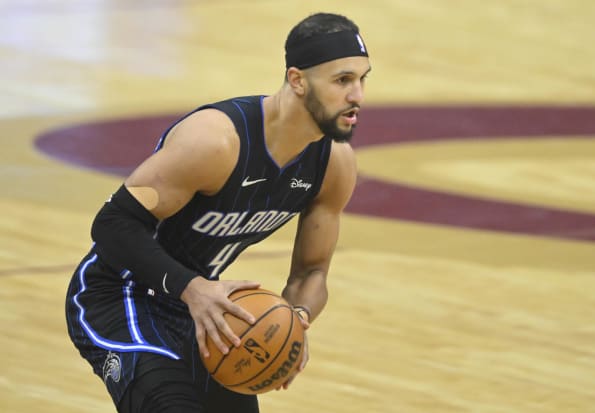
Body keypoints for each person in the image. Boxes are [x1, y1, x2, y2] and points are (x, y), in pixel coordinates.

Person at [65, 11, 371, 413]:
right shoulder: (216, 142)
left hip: (205, 305)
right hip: (119, 295)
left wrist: (295, 319)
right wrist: (192, 288)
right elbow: (112, 225)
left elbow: (311, 272)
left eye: (363, 80)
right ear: (297, 80)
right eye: (342, 80)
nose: (358, 97)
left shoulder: (333, 165)